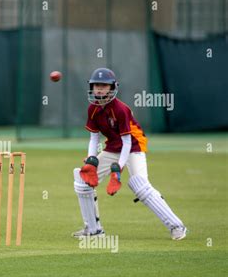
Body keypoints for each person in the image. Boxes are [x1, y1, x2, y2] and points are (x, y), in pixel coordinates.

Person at [73, 67, 187, 240]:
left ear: (112, 88)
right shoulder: (93, 109)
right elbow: (94, 139)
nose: (99, 89)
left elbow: (127, 142)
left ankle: (177, 226)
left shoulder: (121, 109)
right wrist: (91, 160)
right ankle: (94, 230)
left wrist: (118, 167)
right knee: (82, 180)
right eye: (96, 85)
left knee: (140, 185)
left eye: (104, 86)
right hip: (112, 147)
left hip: (133, 147)